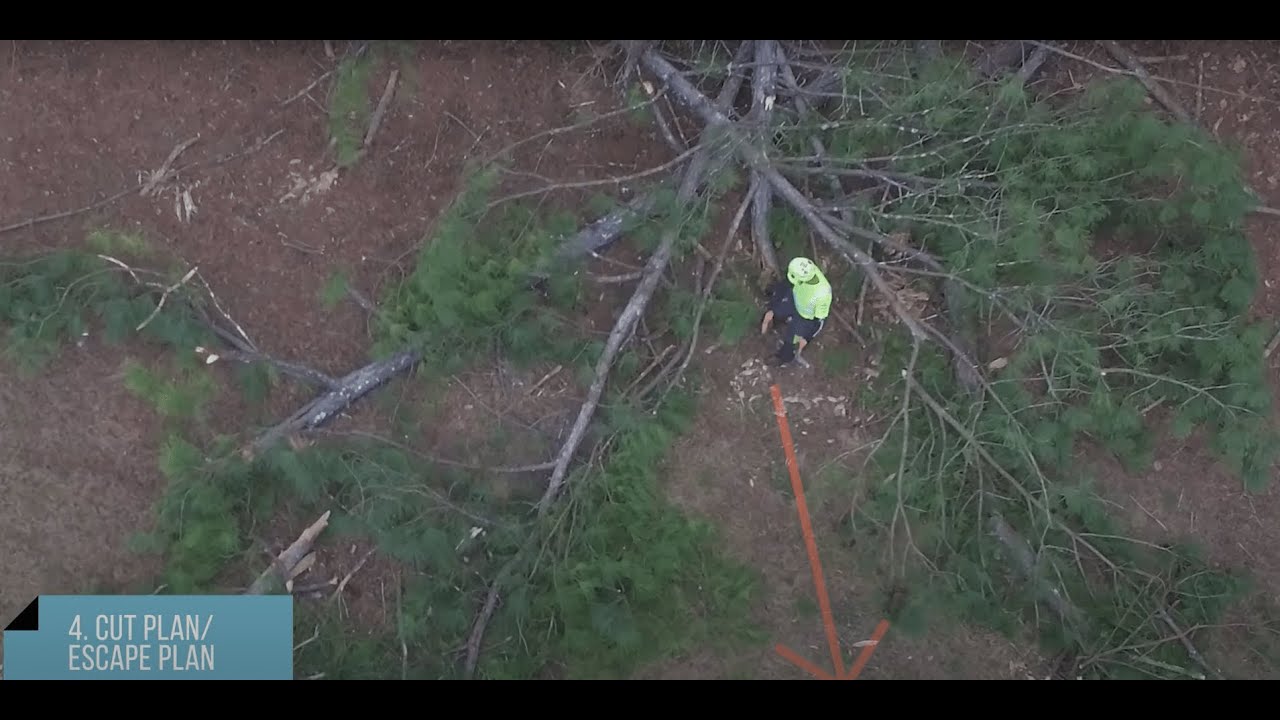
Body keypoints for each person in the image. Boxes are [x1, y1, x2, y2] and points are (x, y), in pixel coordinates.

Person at [760, 256, 832, 366]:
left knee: (792, 341)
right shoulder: (802, 270)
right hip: (794, 298)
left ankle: (783, 357)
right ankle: (773, 325)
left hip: (805, 318)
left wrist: (807, 338)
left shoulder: (823, 294)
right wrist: (772, 308)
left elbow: (820, 321)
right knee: (776, 313)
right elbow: (785, 284)